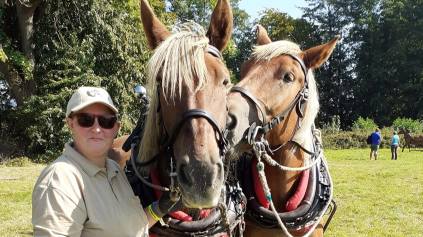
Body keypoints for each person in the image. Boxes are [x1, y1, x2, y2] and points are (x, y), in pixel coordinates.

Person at [32, 86, 177, 237]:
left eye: (106, 121)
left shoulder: (114, 169)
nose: (96, 129)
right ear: (70, 124)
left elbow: (132, 228)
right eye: (85, 120)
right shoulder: (61, 180)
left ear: (116, 128)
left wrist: (159, 208)